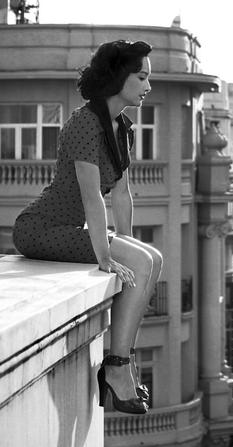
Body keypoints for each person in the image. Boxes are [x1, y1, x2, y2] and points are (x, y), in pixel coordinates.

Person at [12, 39, 162, 414]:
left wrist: (127, 243)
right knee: (141, 262)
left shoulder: (121, 127)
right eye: (141, 77)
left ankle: (121, 363)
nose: (148, 86)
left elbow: (122, 194)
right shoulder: (85, 123)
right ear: (117, 77)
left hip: (70, 231)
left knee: (152, 258)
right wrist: (106, 256)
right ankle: (118, 369)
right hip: (40, 229)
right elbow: (93, 195)